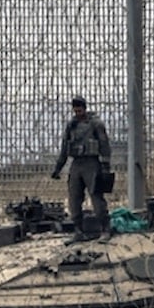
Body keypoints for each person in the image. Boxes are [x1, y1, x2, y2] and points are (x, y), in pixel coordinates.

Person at [51, 95, 112, 242]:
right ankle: (78, 230)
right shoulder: (72, 125)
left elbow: (104, 145)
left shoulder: (95, 124)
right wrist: (58, 168)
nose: (78, 113)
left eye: (80, 110)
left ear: (85, 108)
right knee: (74, 198)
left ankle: (105, 229)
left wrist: (105, 166)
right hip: (76, 164)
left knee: (96, 197)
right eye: (76, 111)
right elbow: (65, 148)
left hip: (92, 163)